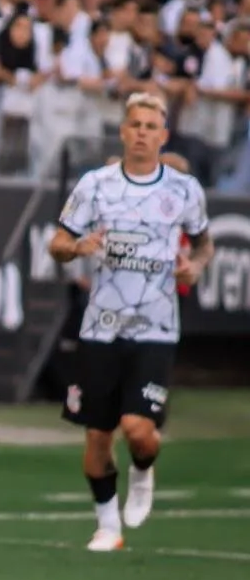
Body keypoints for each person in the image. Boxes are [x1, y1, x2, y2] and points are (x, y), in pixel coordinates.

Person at [47, 92, 213, 552]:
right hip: (100, 325)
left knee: (138, 429)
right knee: (98, 433)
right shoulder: (95, 185)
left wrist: (195, 267)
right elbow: (58, 243)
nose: (141, 132)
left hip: (156, 326)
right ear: (123, 131)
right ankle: (108, 527)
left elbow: (203, 245)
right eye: (134, 124)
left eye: (150, 126)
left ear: (163, 135)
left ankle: (142, 469)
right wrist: (75, 248)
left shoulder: (183, 190)